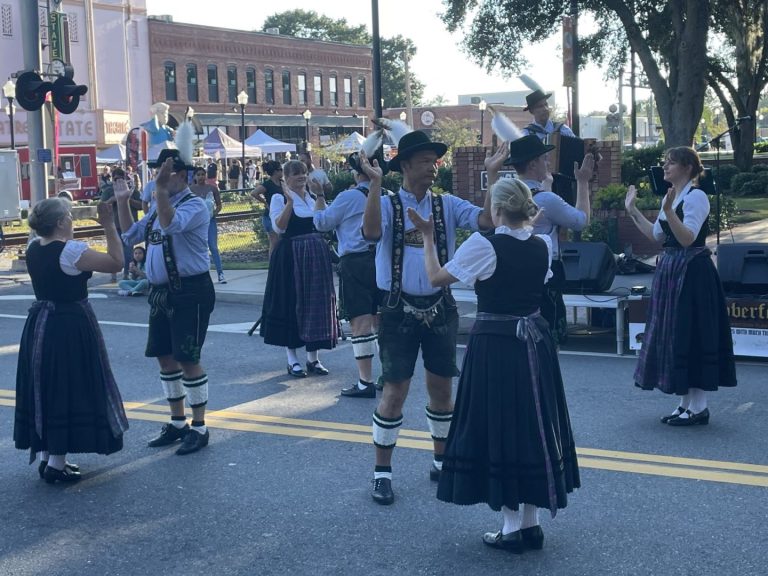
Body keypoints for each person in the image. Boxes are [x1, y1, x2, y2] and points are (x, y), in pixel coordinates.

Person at [408, 177, 579, 552]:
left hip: (497, 345)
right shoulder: (541, 243)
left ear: (497, 209)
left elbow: (437, 278)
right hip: (534, 341)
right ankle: (529, 524)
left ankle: (512, 527)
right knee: (531, 425)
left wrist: (426, 238)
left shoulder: (484, 244)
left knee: (499, 426)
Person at [361, 131, 508, 505]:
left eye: (434, 161)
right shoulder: (391, 204)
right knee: (394, 391)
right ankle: (382, 473)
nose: (433, 167)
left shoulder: (446, 205)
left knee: (442, 389)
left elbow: (487, 221)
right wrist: (375, 186)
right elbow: (371, 232)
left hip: (440, 306)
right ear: (406, 165)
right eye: (425, 161)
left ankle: (441, 461)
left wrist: (492, 175)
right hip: (397, 307)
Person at [14, 198, 129, 484]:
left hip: (40, 323)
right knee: (69, 384)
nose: (72, 221)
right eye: (70, 216)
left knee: (46, 385)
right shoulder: (71, 252)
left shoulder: (33, 246)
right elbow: (117, 261)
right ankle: (56, 463)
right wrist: (109, 226)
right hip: (69, 324)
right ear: (63, 221)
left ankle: (48, 457)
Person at [624, 146, 736, 425]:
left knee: (692, 332)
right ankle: (686, 403)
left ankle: (699, 406)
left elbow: (687, 238)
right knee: (676, 333)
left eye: (670, 163)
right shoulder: (671, 197)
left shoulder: (697, 197)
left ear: (687, 167)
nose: (664, 167)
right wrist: (633, 211)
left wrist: (667, 211)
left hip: (692, 271)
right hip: (673, 268)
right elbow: (656, 235)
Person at [115, 146, 216, 455]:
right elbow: (130, 235)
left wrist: (158, 190)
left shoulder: (195, 205)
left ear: (181, 176)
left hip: (190, 290)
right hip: (162, 293)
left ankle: (199, 427)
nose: (158, 177)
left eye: (165, 172)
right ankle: (177, 422)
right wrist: (122, 201)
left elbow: (171, 224)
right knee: (165, 357)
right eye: (158, 172)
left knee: (187, 358)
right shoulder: (160, 205)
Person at [314, 147, 388, 399]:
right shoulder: (387, 195)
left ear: (357, 172)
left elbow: (322, 223)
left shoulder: (349, 197)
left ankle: (365, 381)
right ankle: (387, 374)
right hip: (382, 260)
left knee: (360, 322)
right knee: (382, 320)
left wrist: (319, 197)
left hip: (355, 263)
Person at [508, 134, 594, 344]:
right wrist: (582, 182)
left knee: (520, 336)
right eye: (543, 159)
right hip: (544, 270)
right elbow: (581, 221)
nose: (547, 162)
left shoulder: (506, 194)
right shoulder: (546, 199)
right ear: (533, 163)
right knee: (547, 336)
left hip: (512, 269)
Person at [259, 159, 337, 378]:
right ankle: (292, 359)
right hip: (292, 256)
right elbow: (279, 228)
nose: (301, 176)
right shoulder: (279, 198)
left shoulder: (313, 198)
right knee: (292, 304)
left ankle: (314, 358)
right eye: (294, 173)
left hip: (316, 255)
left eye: (303, 172)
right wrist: (290, 202)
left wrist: (320, 195)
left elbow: (326, 222)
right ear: (285, 177)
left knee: (316, 305)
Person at [100, 167, 142, 281]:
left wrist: (127, 199)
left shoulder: (132, 190)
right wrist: (113, 199)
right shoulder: (108, 190)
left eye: (121, 178)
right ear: (112, 179)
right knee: (113, 251)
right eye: (116, 179)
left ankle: (126, 274)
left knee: (128, 253)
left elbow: (142, 205)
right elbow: (102, 206)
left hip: (129, 227)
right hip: (114, 226)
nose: (118, 181)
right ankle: (113, 274)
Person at [190, 167, 226, 283]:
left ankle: (220, 273)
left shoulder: (212, 188)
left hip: (210, 221)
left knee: (213, 247)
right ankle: (198, 274)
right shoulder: (190, 190)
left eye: (202, 174)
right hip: (196, 223)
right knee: (197, 248)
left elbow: (219, 205)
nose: (201, 177)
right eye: (198, 175)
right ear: (194, 177)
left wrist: (213, 213)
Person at [250, 160, 283, 258]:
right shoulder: (268, 184)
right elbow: (254, 193)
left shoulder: (282, 183)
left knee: (281, 241)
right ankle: (272, 265)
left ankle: (279, 262)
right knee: (274, 241)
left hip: (280, 215)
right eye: (280, 170)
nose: (282, 172)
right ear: (275, 171)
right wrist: (265, 202)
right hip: (269, 216)